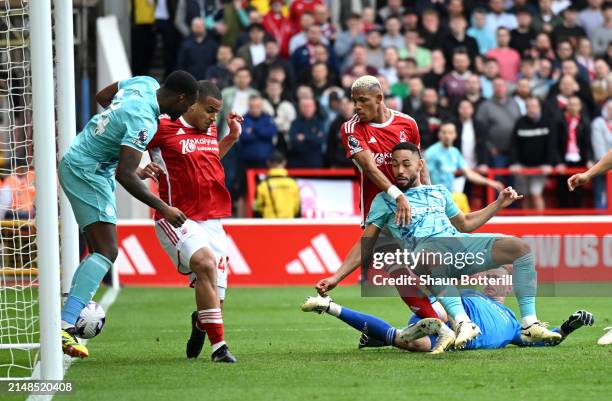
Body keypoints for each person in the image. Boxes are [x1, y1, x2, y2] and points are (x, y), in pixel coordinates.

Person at [315, 142, 562, 352]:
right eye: (394, 165)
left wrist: (498, 204)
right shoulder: (384, 200)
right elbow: (365, 244)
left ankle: (529, 324)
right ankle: (463, 322)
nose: (398, 170)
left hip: (459, 248)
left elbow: (465, 224)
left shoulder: (439, 192)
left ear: (420, 165)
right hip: (427, 256)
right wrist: (337, 276)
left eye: (406, 164)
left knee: (520, 248)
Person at [58, 71, 198, 358]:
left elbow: (103, 97)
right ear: (181, 97)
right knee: (107, 250)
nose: (182, 114)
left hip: (85, 161)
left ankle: (68, 313)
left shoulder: (144, 83)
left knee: (100, 249)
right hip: (89, 171)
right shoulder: (145, 120)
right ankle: (64, 323)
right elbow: (125, 175)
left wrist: (115, 138)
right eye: (185, 108)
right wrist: (164, 208)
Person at [144, 81, 240, 363]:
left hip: (213, 219)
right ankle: (219, 347)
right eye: (210, 111)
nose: (213, 118)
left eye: (216, 113)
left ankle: (201, 323)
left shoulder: (209, 128)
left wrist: (231, 137)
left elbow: (208, 159)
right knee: (205, 263)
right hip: (176, 216)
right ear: (192, 104)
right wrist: (138, 168)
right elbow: (124, 146)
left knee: (215, 301)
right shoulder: (162, 127)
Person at [340, 75, 440, 321]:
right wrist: (397, 196)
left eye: (362, 101)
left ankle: (455, 319)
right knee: (397, 270)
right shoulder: (351, 129)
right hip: (380, 211)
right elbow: (370, 168)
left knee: (430, 266)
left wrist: (430, 196)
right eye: (354, 101)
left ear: (379, 98)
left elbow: (418, 163)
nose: (357, 107)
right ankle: (438, 324)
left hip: (414, 207)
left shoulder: (407, 123)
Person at [301, 290, 594, 353]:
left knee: (412, 342)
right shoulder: (470, 297)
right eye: (490, 278)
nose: (495, 285)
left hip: (450, 343)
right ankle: (330, 306)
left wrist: (568, 327)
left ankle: (334, 309)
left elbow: (544, 341)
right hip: (449, 320)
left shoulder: (516, 323)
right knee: (438, 314)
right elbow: (441, 301)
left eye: (500, 281)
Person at [425, 123, 504, 212]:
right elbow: (424, 176)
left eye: (450, 133)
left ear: (455, 135)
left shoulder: (455, 152)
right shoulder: (431, 153)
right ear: (439, 135)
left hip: (448, 197)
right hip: (433, 198)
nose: (447, 136)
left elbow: (469, 173)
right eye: (444, 132)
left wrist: (490, 182)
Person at [509, 97, 557, 211]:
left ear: (539, 107)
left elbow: (552, 145)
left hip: (540, 167)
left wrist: (548, 163)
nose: (532, 109)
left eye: (534, 106)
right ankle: (527, 223)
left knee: (535, 194)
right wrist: (514, 162)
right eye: (529, 107)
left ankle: (540, 224)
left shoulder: (548, 122)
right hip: (523, 166)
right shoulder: (520, 122)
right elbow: (514, 145)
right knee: (525, 195)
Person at [255, 152, 301, 218]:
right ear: (284, 163)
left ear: (268, 163)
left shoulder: (263, 185)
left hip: (269, 225)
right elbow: (297, 206)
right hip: (289, 224)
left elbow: (258, 207)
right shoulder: (293, 183)